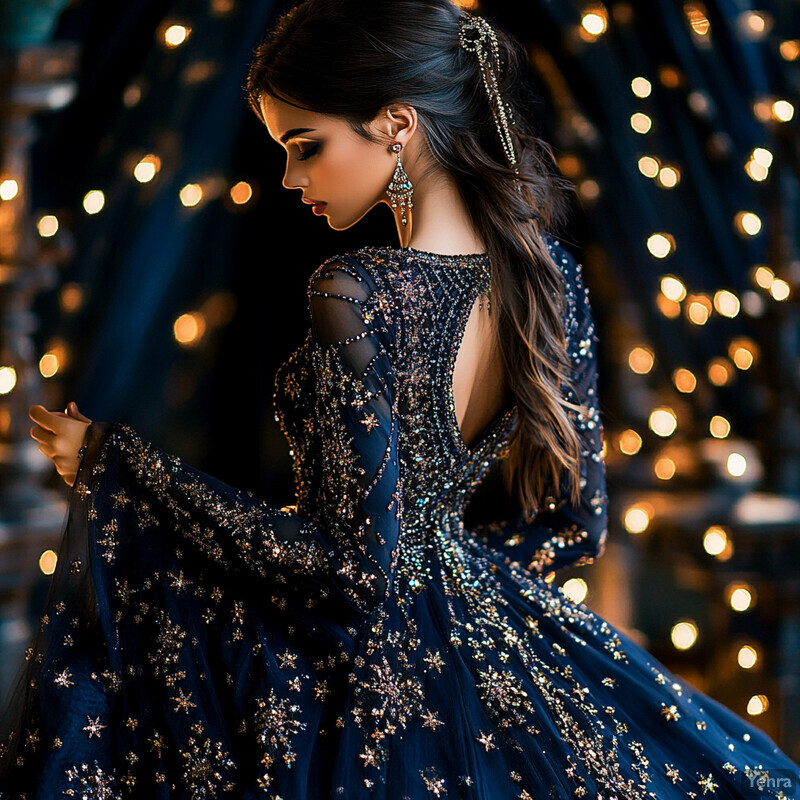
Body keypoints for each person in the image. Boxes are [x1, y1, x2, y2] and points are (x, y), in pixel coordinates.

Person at [1, 0, 797, 797]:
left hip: (366, 702)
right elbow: (575, 524)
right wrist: (454, 599)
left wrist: (124, 467)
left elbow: (354, 576)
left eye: (306, 146)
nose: (291, 178)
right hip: (501, 652)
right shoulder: (546, 273)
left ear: (395, 124)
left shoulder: (358, 291)